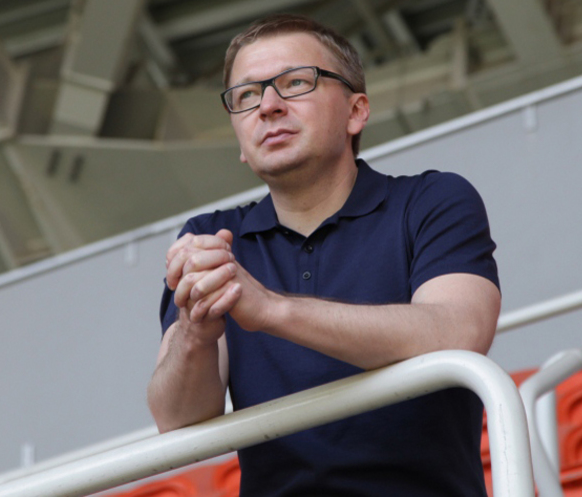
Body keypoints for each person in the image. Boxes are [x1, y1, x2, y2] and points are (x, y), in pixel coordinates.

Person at [148, 14, 501, 497]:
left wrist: (272, 309)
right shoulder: (210, 237)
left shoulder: (432, 200)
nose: (267, 106)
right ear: (240, 143)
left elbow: (459, 332)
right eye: (246, 96)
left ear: (356, 112)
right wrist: (195, 332)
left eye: (296, 83)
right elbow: (176, 419)